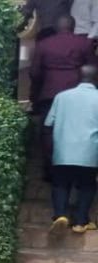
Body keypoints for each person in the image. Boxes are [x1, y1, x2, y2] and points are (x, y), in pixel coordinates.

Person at [31, 16, 96, 181]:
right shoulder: (84, 43)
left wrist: (35, 94)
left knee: (48, 130)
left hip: (49, 92)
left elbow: (34, 73)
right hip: (77, 93)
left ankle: (51, 168)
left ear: (56, 27)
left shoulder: (43, 44)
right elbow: (93, 69)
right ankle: (78, 169)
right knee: (78, 130)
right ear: (74, 27)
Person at [45, 65, 98, 233]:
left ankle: (60, 215)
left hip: (63, 151)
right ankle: (80, 222)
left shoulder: (61, 97)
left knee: (60, 184)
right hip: (89, 152)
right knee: (87, 185)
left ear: (78, 78)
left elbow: (48, 123)